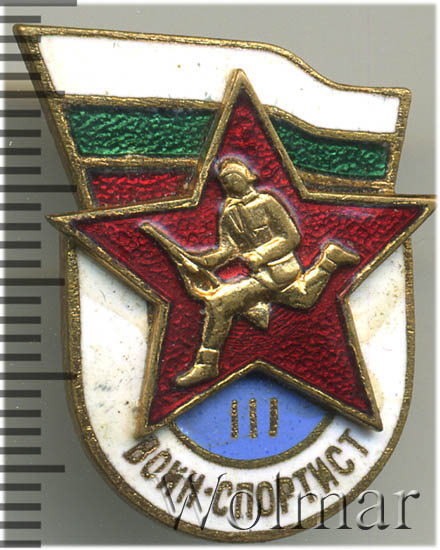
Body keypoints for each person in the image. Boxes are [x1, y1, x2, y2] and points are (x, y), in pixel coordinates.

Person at [147, 157, 361, 387]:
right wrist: (202, 261)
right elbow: (227, 250)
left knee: (220, 302)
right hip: (261, 277)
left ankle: (207, 364)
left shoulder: (267, 202)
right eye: (225, 181)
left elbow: (291, 237)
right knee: (303, 298)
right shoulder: (229, 213)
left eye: (233, 178)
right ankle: (329, 261)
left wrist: (260, 255)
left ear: (247, 177)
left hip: (281, 271)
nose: (229, 184)